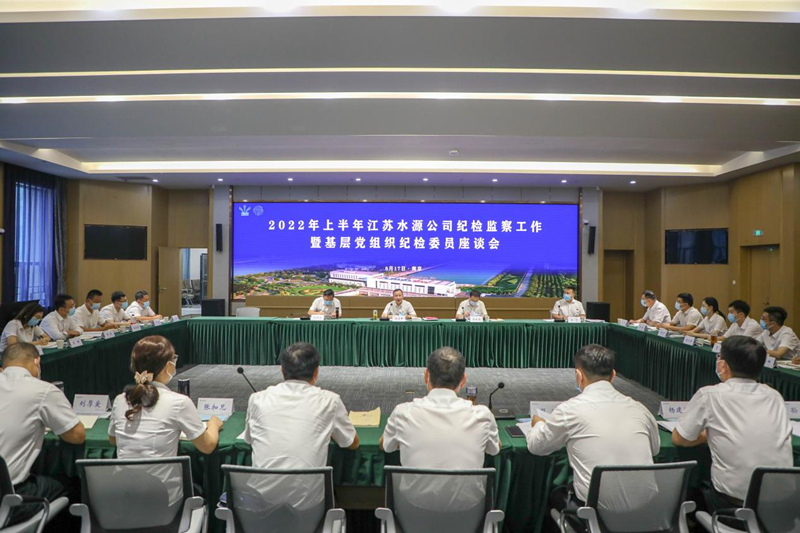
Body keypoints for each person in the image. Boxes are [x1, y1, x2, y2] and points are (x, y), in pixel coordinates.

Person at [527, 344, 660, 519]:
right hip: (647, 511)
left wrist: (538, 424)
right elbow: (655, 449)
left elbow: (536, 447)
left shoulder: (569, 410)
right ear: (613, 375)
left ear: (578, 375)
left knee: (555, 494)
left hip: (595, 511)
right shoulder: (639, 408)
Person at [672, 336, 793, 512]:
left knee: (691, 491)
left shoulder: (710, 395)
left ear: (723, 365)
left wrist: (707, 435)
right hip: (784, 505)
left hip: (735, 506)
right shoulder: (774, 396)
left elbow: (680, 438)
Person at [0, 343, 85, 526]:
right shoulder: (42, 390)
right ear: (37, 362)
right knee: (72, 482)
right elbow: (77, 436)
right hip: (9, 499)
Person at [244, 342, 358, 468]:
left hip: (260, 481)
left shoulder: (257, 399)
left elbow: (249, 440)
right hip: (311, 482)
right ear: (316, 372)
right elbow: (352, 443)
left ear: (281, 370)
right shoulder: (330, 401)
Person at [380, 346, 501, 464]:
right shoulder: (483, 415)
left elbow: (385, 446)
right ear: (463, 380)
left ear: (426, 376)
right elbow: (494, 449)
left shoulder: (402, 413)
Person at [109, 335, 223, 457]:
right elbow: (207, 446)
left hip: (123, 470)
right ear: (168, 366)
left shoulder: (120, 400)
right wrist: (214, 424)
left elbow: (113, 439)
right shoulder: (179, 402)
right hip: (163, 470)